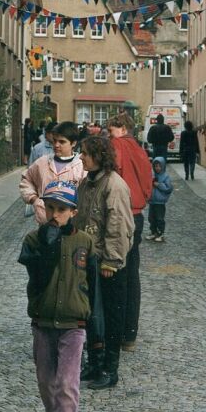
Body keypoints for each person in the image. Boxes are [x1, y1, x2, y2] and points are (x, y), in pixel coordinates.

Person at [19, 180, 101, 412]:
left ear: (73, 212)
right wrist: (47, 242)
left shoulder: (86, 243)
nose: (55, 214)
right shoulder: (33, 240)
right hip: (43, 322)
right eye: (50, 207)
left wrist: (97, 336)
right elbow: (36, 276)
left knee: (67, 384)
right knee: (45, 380)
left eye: (61, 209)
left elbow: (94, 290)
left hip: (73, 325)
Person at [76, 136, 134, 390]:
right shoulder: (86, 183)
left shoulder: (114, 185)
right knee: (92, 317)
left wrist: (112, 260)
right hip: (89, 259)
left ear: (99, 155)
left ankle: (110, 370)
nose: (81, 157)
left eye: (85, 153)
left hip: (107, 263)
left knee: (110, 317)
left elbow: (118, 226)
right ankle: (95, 364)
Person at [107, 112, 152, 352]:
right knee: (132, 274)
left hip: (121, 213)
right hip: (137, 213)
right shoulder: (139, 148)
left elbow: (114, 172)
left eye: (111, 129)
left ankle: (115, 333)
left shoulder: (117, 145)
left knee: (116, 275)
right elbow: (147, 182)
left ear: (122, 128)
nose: (108, 134)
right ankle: (129, 335)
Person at [20, 122, 86, 224]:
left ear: (73, 143)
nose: (56, 145)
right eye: (54, 141)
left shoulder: (81, 166)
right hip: (45, 222)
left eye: (62, 142)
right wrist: (34, 199)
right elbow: (26, 180)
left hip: (71, 224)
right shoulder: (42, 162)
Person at [146, 157, 174, 242]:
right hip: (152, 201)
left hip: (160, 202)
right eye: (155, 166)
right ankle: (154, 232)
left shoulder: (165, 177)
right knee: (151, 218)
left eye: (159, 166)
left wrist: (158, 185)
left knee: (159, 218)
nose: (157, 168)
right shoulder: (152, 175)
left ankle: (161, 233)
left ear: (163, 166)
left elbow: (169, 188)